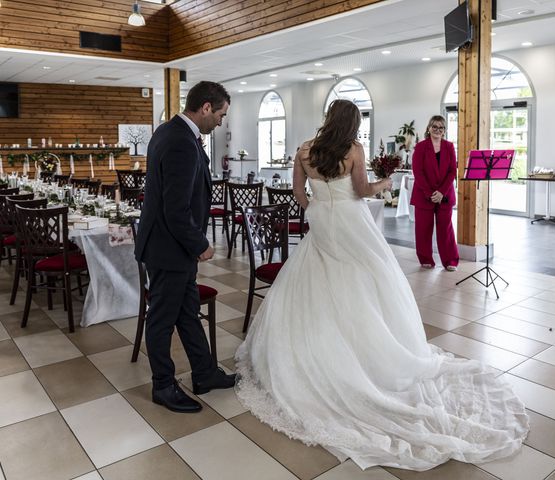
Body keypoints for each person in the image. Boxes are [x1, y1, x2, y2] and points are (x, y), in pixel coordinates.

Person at [235, 100, 528, 471]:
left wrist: (316, 208)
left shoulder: (305, 150)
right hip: (352, 223)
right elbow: (361, 191)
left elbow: (298, 193)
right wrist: (385, 184)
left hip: (322, 224)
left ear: (328, 119)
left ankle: (317, 353)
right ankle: (369, 354)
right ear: (353, 123)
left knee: (317, 284)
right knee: (368, 283)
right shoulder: (353, 150)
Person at [135, 81, 236, 414]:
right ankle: (163, 385)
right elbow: (174, 207)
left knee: (187, 311)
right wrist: (200, 243)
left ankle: (204, 373)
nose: (221, 121)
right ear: (206, 107)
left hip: (170, 245)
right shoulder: (179, 140)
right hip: (170, 247)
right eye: (220, 114)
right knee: (162, 319)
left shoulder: (171, 131)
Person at [410, 115, 460, 271]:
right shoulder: (420, 147)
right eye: (434, 127)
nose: (437, 130)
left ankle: (450, 260)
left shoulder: (449, 147)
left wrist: (441, 193)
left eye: (441, 127)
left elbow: (452, 171)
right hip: (424, 195)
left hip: (444, 196)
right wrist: (431, 193)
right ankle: (425, 258)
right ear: (429, 128)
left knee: (445, 229)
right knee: (423, 228)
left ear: (444, 131)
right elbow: (418, 172)